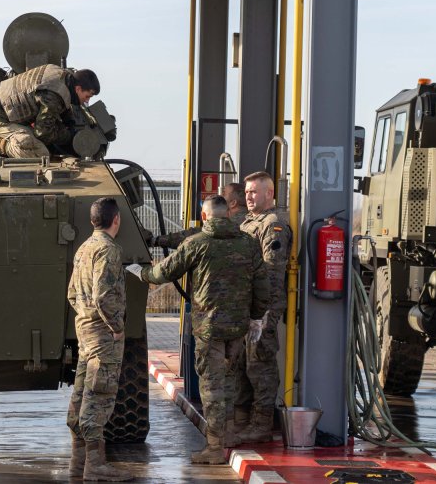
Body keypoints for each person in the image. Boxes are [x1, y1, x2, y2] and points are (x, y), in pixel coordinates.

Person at [130, 195, 269, 464]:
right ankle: (228, 434)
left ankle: (215, 449)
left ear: (205, 216)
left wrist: (140, 272)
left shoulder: (197, 243)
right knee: (229, 380)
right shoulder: (249, 244)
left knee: (212, 387)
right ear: (228, 214)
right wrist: (255, 318)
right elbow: (262, 286)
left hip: (209, 330)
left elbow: (162, 274)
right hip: (238, 328)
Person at [66, 197, 134, 482]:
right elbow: (103, 295)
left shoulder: (84, 248)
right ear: (116, 219)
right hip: (103, 335)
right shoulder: (108, 249)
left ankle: (78, 460)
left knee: (82, 391)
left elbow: (72, 293)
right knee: (99, 395)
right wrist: (116, 327)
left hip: (85, 331)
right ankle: (95, 466)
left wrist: (86, 316)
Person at [234, 171, 293, 443]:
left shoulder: (273, 224)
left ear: (269, 193)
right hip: (246, 305)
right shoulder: (249, 222)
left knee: (261, 365)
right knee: (243, 363)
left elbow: (272, 271)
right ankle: (243, 420)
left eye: (254, 191)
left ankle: (261, 424)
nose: (248, 196)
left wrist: (261, 311)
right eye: (246, 192)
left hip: (263, 307)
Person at [0, 64, 100, 161]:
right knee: (39, 153)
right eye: (87, 96)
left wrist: (68, 121)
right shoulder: (54, 95)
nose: (86, 101)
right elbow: (43, 133)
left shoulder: (62, 76)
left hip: (9, 111)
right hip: (0, 119)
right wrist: (69, 136)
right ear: (78, 89)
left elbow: (58, 105)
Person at [150, 182, 245, 249]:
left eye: (224, 193)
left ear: (233, 203)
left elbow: (194, 235)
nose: (220, 195)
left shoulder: (234, 224)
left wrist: (157, 240)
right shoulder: (247, 221)